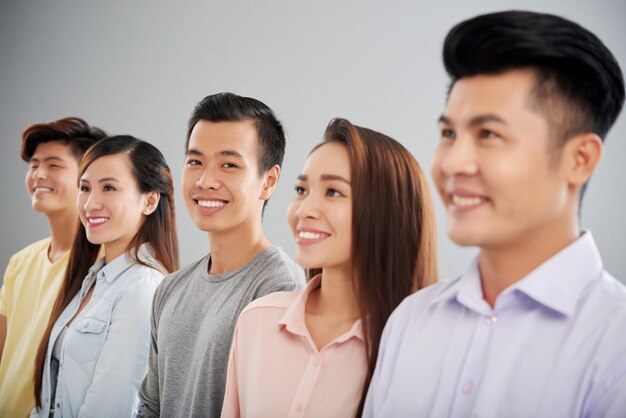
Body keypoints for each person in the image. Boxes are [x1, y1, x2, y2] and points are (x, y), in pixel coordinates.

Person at [363, 10, 626, 417]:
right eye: (449, 133)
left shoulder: (615, 345)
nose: (452, 164)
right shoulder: (410, 321)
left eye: (488, 134)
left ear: (580, 159)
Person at [221, 118, 438, 417]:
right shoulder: (256, 320)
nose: (304, 210)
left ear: (387, 212)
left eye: (333, 192)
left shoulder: (422, 351)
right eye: (301, 190)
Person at [136, 92, 305, 418]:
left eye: (229, 164)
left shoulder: (280, 290)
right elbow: (151, 407)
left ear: (268, 181)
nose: (205, 181)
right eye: (195, 162)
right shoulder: (170, 289)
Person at [31, 135, 179, 417]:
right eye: (85, 188)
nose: (90, 204)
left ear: (149, 201)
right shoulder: (91, 279)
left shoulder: (142, 288)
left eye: (109, 187)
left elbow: (110, 408)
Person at [0, 117, 105, 418]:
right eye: (34, 165)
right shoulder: (20, 262)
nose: (39, 174)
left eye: (54, 165)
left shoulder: (107, 263)